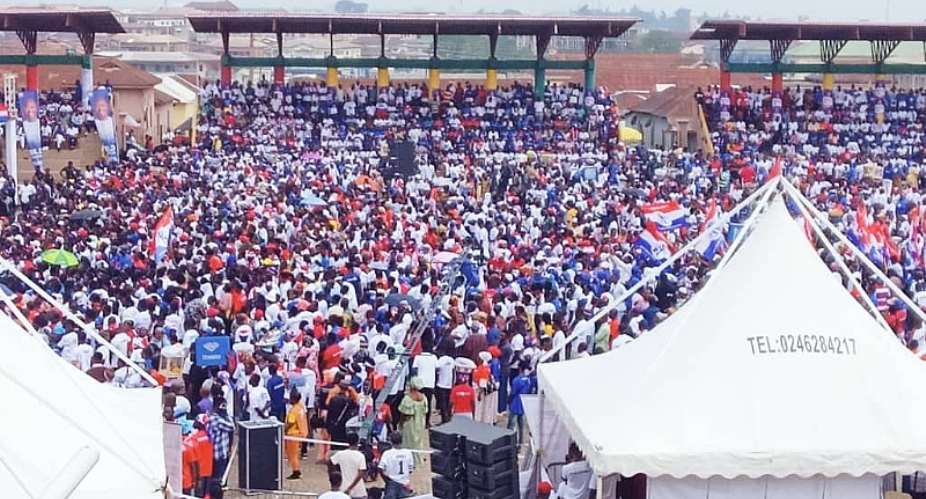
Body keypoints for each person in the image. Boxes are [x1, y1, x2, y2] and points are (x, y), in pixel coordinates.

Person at [207, 396, 235, 499]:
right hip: (218, 453)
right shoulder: (216, 419)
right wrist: (226, 414)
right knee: (219, 479)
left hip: (219, 451)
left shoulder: (213, 417)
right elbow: (232, 426)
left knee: (219, 477)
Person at [397, 377, 428, 462]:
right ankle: (418, 460)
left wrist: (400, 424)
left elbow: (404, 414)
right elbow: (425, 411)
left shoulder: (407, 399)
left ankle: (408, 461)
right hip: (420, 423)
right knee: (418, 443)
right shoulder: (424, 398)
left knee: (408, 443)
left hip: (409, 425)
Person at [330, 433, 368, 499]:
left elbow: (330, 462)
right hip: (358, 491)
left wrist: (333, 472)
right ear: (357, 442)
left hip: (343, 488)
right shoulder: (360, 456)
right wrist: (350, 488)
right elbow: (361, 473)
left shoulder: (340, 454)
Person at [379, 431, 415, 499]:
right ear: (401, 440)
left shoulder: (387, 453)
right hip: (404, 484)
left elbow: (380, 469)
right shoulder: (408, 453)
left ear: (391, 441)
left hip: (391, 485)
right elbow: (410, 470)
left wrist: (387, 481)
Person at [285, 389, 309, 479]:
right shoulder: (301, 407)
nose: (289, 400)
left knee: (292, 454)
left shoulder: (293, 410)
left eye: (291, 398)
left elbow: (290, 422)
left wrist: (284, 429)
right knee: (296, 454)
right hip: (302, 433)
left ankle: (296, 471)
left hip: (293, 434)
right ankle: (296, 470)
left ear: (294, 399)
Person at [508, 363, 534, 445]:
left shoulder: (516, 380)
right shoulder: (528, 380)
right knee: (521, 425)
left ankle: (510, 441)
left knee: (511, 424)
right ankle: (521, 441)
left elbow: (513, 392)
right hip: (523, 403)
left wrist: (509, 400)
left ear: (520, 369)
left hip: (515, 403)